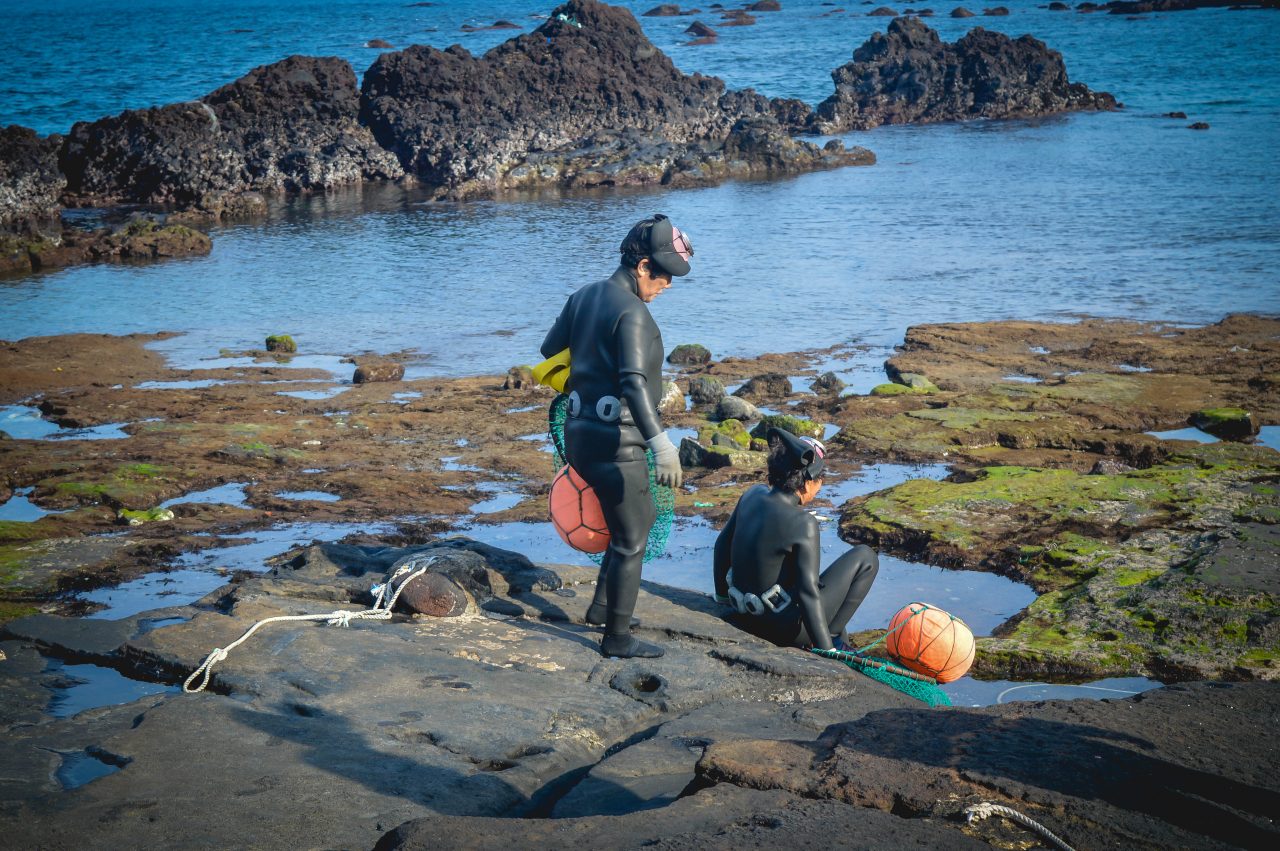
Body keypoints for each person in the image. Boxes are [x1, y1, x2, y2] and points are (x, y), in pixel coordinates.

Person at [540, 214, 693, 659]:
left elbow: (549, 349)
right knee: (632, 539)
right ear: (643, 266)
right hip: (618, 444)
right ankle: (617, 639)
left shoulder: (584, 296)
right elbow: (633, 385)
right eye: (664, 274)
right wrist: (661, 444)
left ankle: (602, 607)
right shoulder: (633, 314)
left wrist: (590, 364)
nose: (668, 284)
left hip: (579, 434)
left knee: (636, 521)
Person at [712, 428, 879, 652]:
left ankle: (833, 635)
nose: (820, 487)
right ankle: (831, 638)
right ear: (807, 483)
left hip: (743, 614)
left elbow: (721, 546)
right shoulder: (803, 523)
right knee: (866, 557)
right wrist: (826, 651)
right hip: (783, 630)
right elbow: (808, 593)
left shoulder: (752, 495)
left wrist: (722, 598)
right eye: (820, 481)